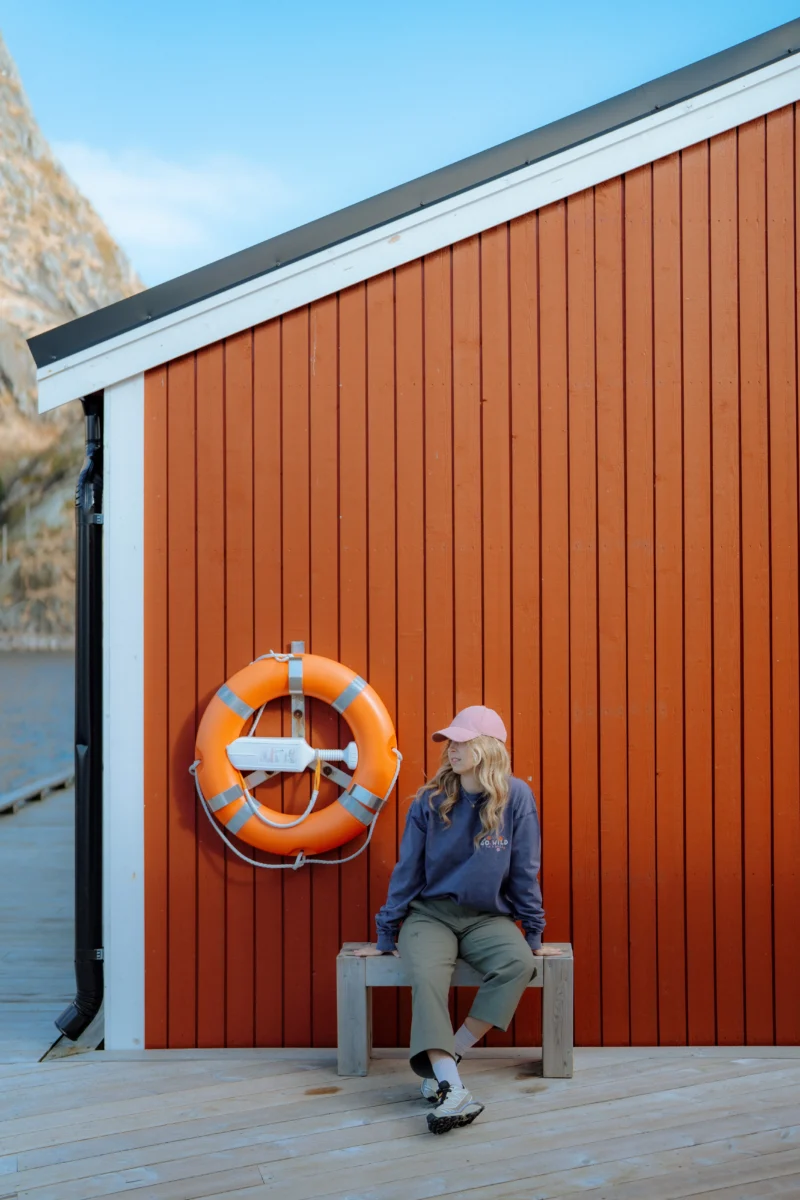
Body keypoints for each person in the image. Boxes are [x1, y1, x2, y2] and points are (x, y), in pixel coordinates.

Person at [355, 705, 561, 1135]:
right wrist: (386, 933)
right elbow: (407, 870)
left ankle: (449, 1057)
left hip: (488, 917)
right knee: (427, 976)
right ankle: (453, 1089)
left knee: (518, 964)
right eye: (450, 741)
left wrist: (535, 933)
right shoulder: (430, 801)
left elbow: (525, 870)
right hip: (430, 915)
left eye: (462, 741)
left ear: (487, 748)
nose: (453, 749)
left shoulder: (516, 797)